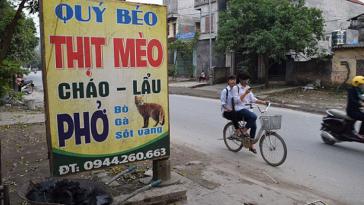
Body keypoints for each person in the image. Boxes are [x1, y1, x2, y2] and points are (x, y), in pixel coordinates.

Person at [233, 73, 269, 154]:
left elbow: (253, 99)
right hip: (239, 110)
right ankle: (242, 131)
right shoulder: (236, 88)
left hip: (248, 110)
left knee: (254, 127)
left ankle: (251, 145)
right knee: (254, 117)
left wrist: (263, 102)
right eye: (245, 80)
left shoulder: (248, 88)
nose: (247, 81)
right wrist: (245, 93)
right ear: (241, 80)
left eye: (247, 80)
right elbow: (236, 101)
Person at [346, 76, 364, 140]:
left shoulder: (360, 91)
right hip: (352, 111)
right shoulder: (351, 90)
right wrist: (360, 104)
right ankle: (361, 134)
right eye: (361, 84)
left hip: (357, 110)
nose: (362, 86)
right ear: (357, 84)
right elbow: (352, 100)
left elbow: (363, 98)